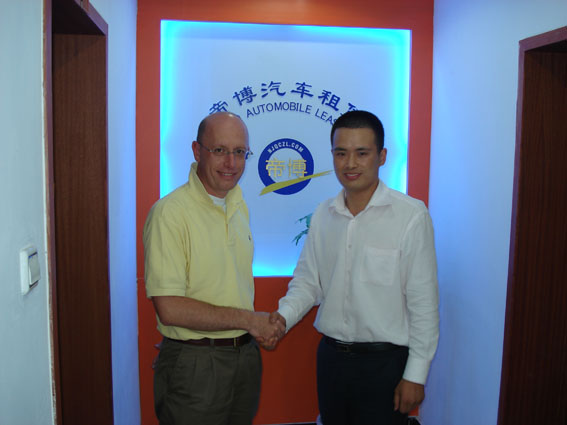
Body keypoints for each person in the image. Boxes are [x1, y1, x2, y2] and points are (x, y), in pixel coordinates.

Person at [270, 110, 439, 425]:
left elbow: (423, 304)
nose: (350, 163)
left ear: (382, 156)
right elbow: (308, 283)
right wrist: (281, 318)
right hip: (332, 360)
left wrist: (416, 375)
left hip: (385, 364)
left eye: (362, 153)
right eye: (341, 153)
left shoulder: (410, 216)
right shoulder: (324, 214)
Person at [143, 111, 284, 425]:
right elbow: (169, 309)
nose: (231, 163)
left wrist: (252, 328)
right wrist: (249, 320)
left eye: (240, 152)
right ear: (197, 151)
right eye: (220, 150)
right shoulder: (170, 213)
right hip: (196, 365)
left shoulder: (238, 204)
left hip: (244, 357)